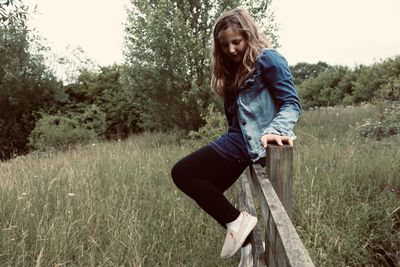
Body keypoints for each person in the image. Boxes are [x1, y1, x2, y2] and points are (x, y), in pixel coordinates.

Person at [171, 7, 301, 267]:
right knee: (207, 190)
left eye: (236, 42)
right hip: (236, 141)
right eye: (225, 45)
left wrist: (276, 130)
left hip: (247, 143)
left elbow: (290, 103)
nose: (231, 49)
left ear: (249, 36)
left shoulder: (268, 60)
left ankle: (241, 227)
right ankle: (248, 241)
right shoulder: (231, 71)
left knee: (183, 173)